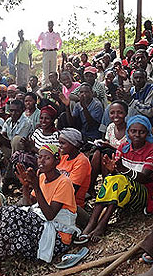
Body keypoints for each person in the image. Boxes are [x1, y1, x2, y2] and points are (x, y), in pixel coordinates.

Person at [0, 145, 79, 275]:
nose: (42, 161)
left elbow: (50, 215)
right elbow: (30, 204)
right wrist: (25, 186)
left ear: (57, 161)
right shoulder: (42, 177)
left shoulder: (64, 182)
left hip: (58, 237)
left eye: (47, 158)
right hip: (41, 227)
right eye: (40, 157)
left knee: (11, 213)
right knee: (3, 212)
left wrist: (35, 186)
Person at [78, 115, 153, 243]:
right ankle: (94, 222)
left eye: (142, 132)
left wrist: (123, 170)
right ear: (128, 132)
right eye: (133, 131)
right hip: (123, 189)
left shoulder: (151, 150)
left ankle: (101, 224)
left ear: (147, 133)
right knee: (112, 179)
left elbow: (145, 177)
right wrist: (113, 170)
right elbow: (116, 171)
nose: (137, 135)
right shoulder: (123, 147)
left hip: (143, 194)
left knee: (119, 180)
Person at [89, 101, 128, 195]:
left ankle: (106, 185)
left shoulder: (130, 129)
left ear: (126, 113)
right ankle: (92, 185)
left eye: (120, 112)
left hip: (124, 157)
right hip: (109, 154)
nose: (116, 115)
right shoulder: (110, 127)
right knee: (99, 152)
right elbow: (108, 142)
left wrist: (110, 146)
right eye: (112, 113)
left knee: (105, 153)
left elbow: (129, 149)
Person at [56, 128, 91, 210]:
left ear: (74, 144)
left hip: (70, 205)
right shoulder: (63, 156)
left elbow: (71, 190)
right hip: (56, 198)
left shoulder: (82, 162)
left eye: (63, 143)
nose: (59, 146)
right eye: (59, 143)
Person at [35, 21, 62, 86]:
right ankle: (45, 85)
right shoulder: (43, 34)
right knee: (45, 70)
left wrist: (58, 48)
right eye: (49, 24)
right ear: (47, 25)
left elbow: (60, 41)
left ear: (53, 25)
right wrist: (40, 48)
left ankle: (53, 85)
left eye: (51, 24)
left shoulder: (56, 34)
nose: (50, 25)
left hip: (53, 52)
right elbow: (36, 42)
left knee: (53, 69)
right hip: (46, 52)